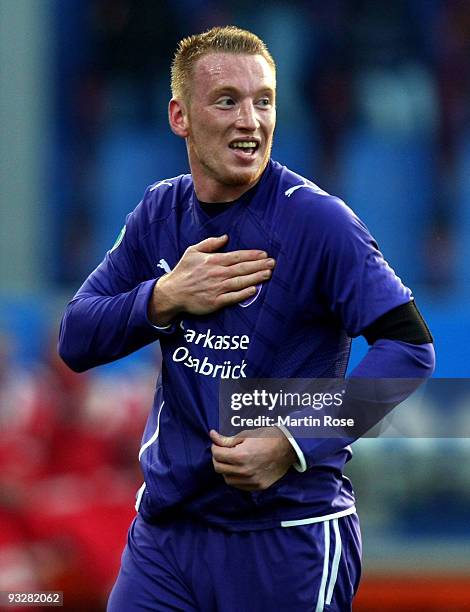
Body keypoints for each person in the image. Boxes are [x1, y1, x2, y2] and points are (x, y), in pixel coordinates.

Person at [58, 26, 435, 612]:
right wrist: (162, 297)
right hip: (167, 535)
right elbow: (76, 337)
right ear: (180, 117)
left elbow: (410, 350)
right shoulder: (159, 212)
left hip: (287, 535)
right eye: (227, 100)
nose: (250, 121)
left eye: (264, 101)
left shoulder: (318, 223)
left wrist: (292, 440)